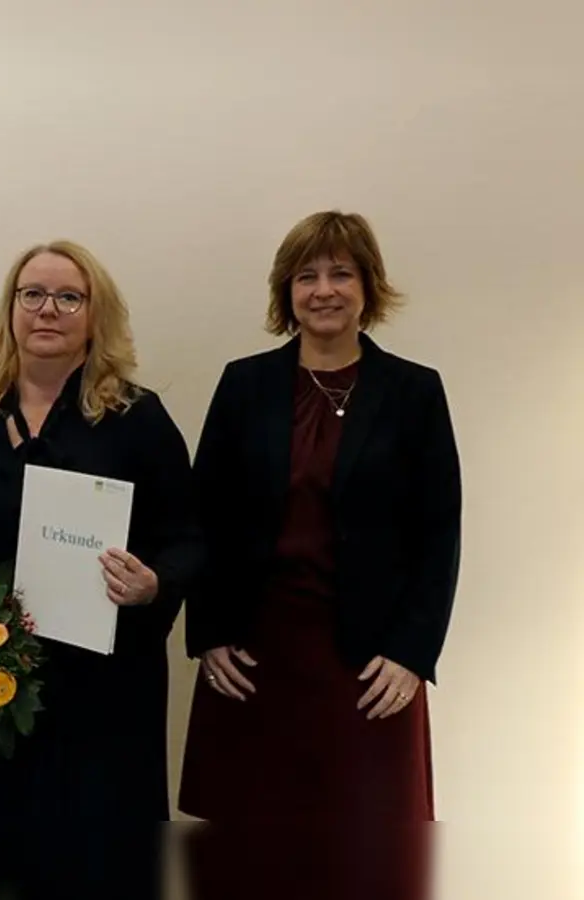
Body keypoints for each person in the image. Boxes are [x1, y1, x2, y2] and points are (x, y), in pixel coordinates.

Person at [0, 240, 203, 896]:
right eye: (32, 294)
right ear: (10, 309)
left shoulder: (138, 419)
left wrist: (153, 583)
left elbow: (188, 538)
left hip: (104, 698)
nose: (47, 310)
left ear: (96, 316)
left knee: (101, 867)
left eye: (69, 297)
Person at [178, 211, 460, 897]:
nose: (324, 290)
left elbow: (439, 534)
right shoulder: (243, 385)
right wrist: (209, 633)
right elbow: (203, 517)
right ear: (287, 291)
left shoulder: (415, 392)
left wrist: (412, 652)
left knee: (370, 860)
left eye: (341, 273)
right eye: (306, 276)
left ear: (368, 286)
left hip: (369, 672)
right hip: (256, 662)